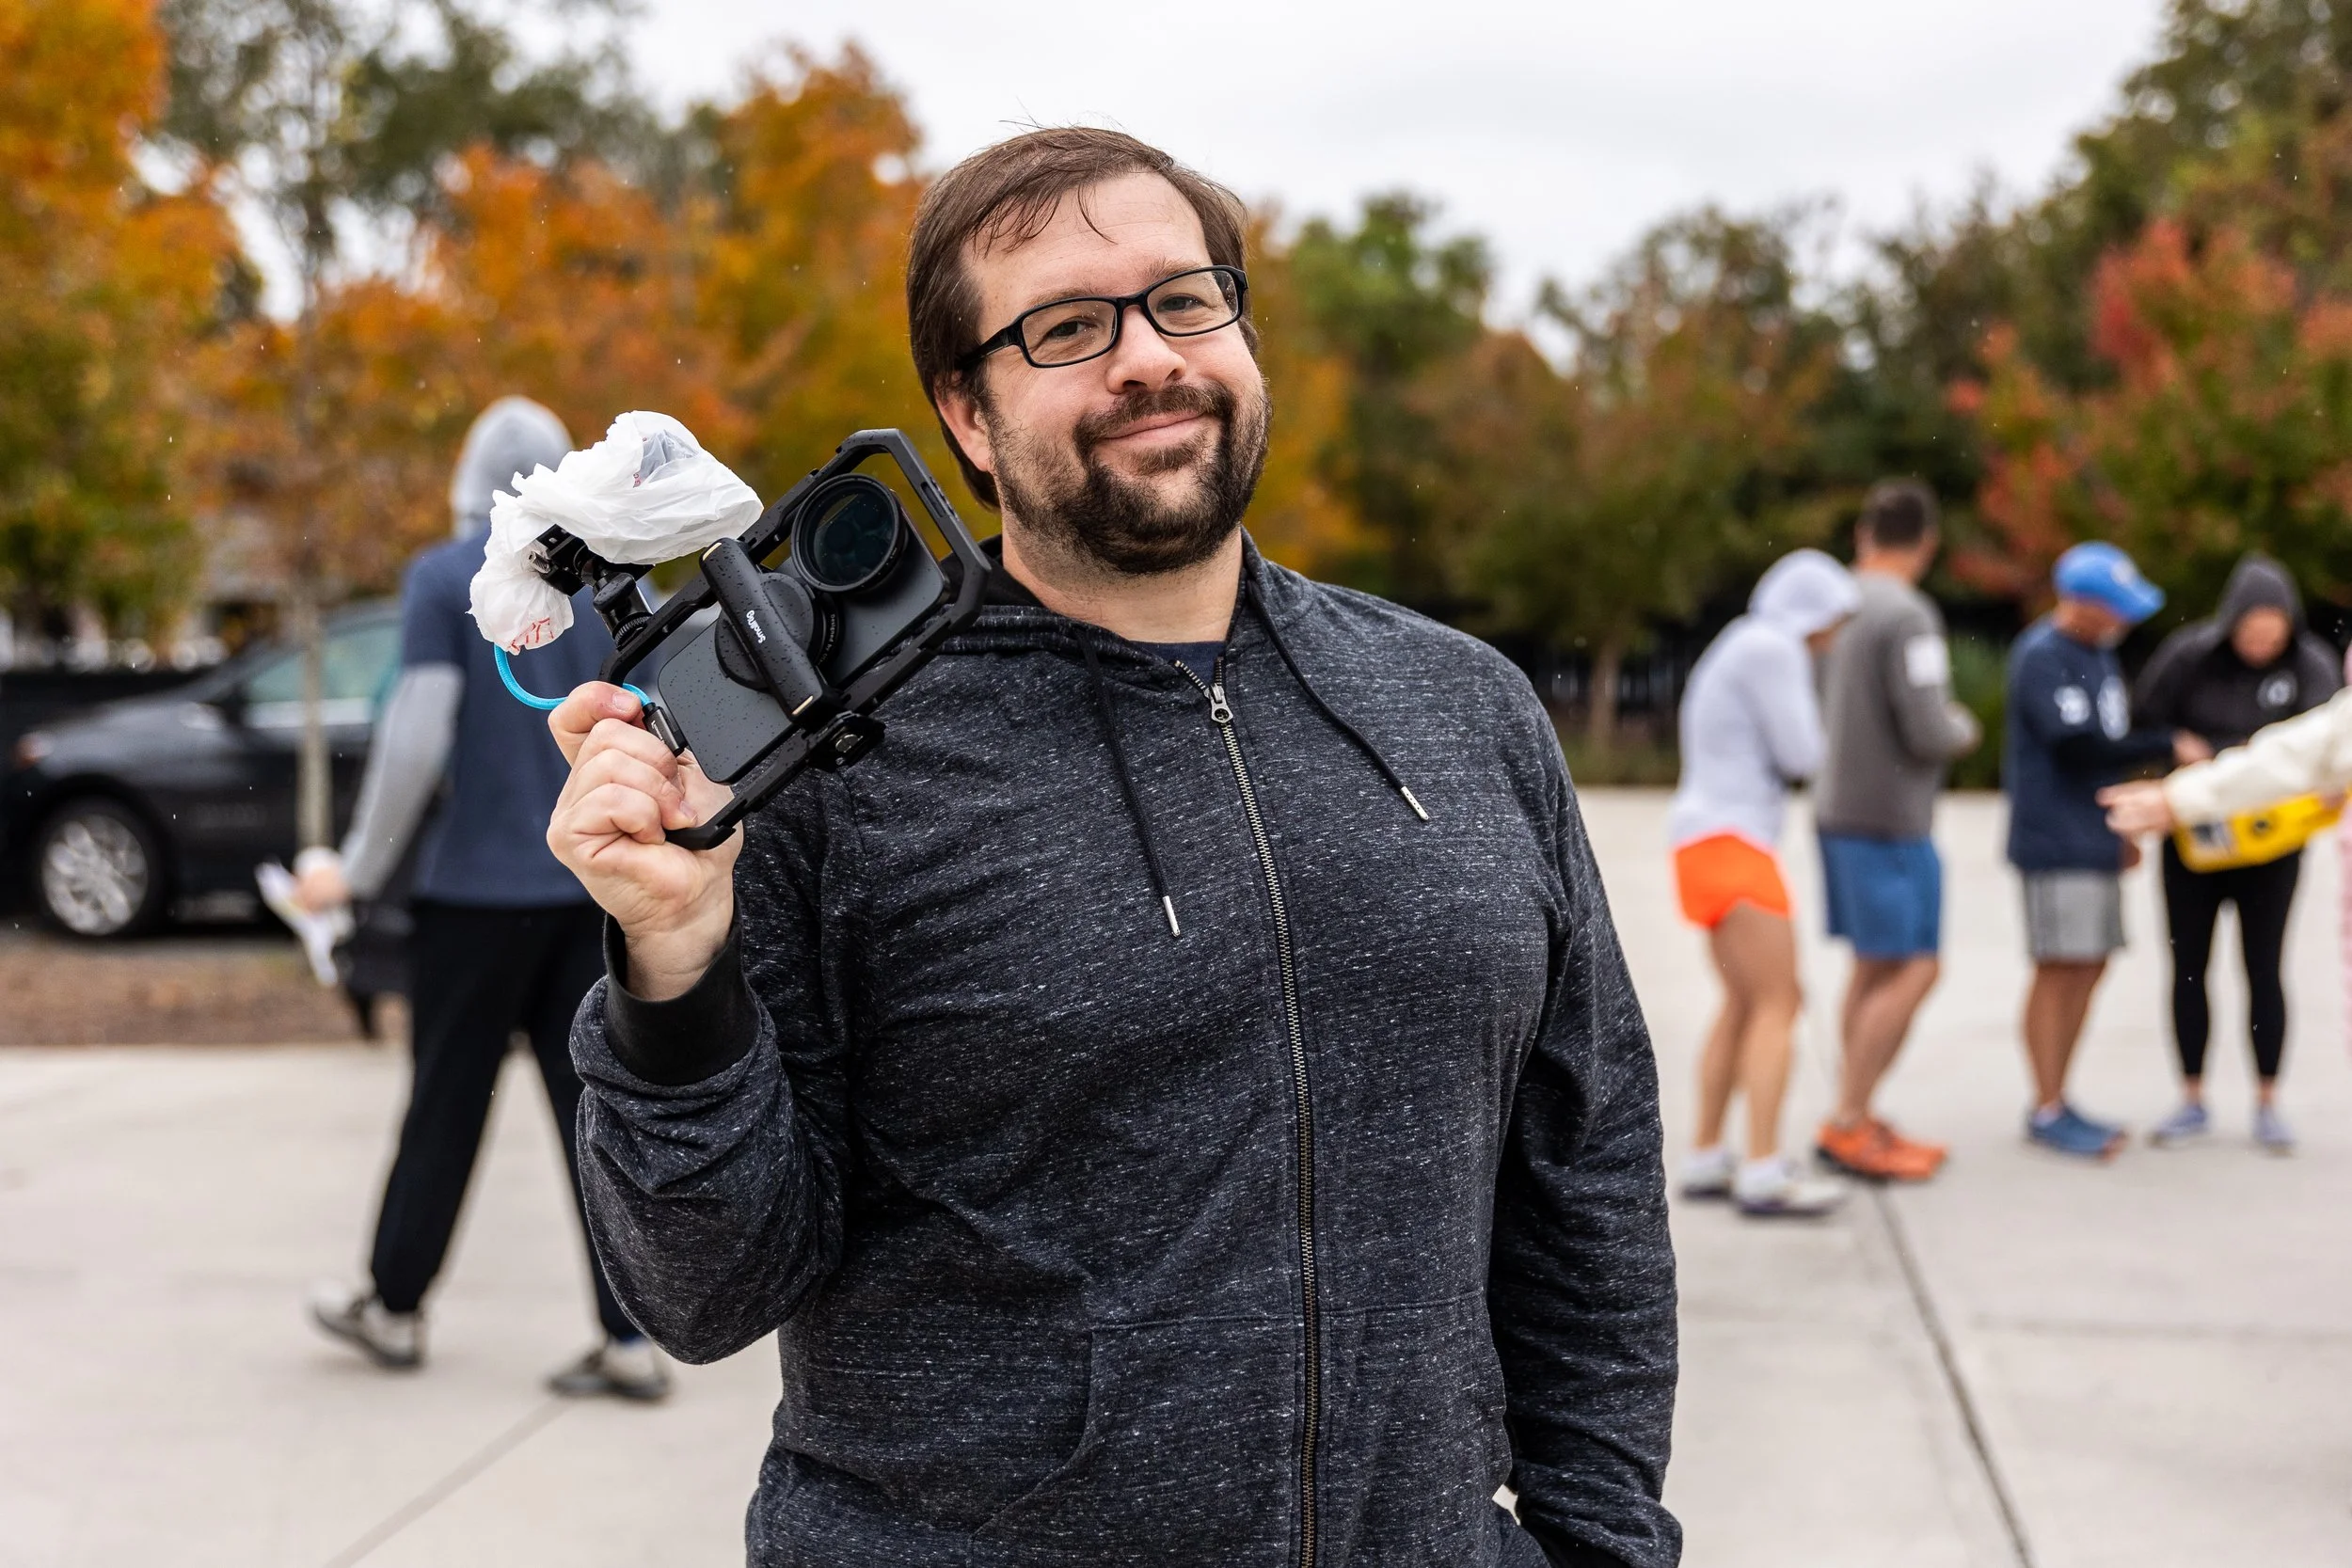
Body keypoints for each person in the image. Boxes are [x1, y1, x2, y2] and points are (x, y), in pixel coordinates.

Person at [545, 129, 1680, 1566]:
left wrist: (1601, 1540)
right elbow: (702, 1291)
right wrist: (672, 966)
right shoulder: (824, 763)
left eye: (1184, 300)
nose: (1147, 356)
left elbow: (1590, 1178)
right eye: (1069, 327)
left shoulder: (1459, 705)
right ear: (965, 410)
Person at [295, 398, 666, 1401]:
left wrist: (358, 872)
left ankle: (396, 1305)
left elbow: (417, 736)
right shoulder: (607, 580)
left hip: (470, 895)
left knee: (445, 1106)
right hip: (586, 889)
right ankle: (630, 1333)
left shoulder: (443, 577)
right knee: (594, 1109)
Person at [1667, 548, 1858, 1217]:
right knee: (1782, 998)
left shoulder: (1741, 641)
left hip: (1701, 842)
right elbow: (1805, 753)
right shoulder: (1775, 650)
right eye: (1837, 620)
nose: (1837, 638)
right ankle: (1764, 1167)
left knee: (1744, 1001)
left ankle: (1707, 1152)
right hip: (1734, 840)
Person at [2127, 554, 2338, 1152]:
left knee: (2264, 967)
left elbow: (2323, 750)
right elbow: (2143, 721)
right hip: (2195, 839)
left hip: (2272, 844)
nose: (2260, 641)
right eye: (2250, 630)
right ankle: (2191, 1095)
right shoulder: (2190, 656)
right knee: (2189, 966)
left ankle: (2268, 1098)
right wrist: (2175, 746)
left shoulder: (2311, 665)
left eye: (2271, 631)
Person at [2003, 542, 2204, 1161]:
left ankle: (2061, 1094)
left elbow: (2105, 745)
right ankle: (2045, 1104)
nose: (2123, 619)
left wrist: (2119, 826)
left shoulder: (2098, 656)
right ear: (2082, 603)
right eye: (2113, 607)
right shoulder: (2043, 656)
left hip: (2093, 833)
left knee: (2090, 963)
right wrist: (2166, 744)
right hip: (2053, 838)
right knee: (2058, 963)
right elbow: (2077, 748)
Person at [1812, 481, 1980, 1182]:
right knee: (1918, 964)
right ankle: (1849, 1119)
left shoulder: (1837, 605)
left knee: (1871, 964)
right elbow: (1928, 725)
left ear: (1863, 533)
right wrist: (1967, 726)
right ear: (1927, 542)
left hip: (1837, 803)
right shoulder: (1909, 614)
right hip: (1892, 816)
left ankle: (1853, 1106)